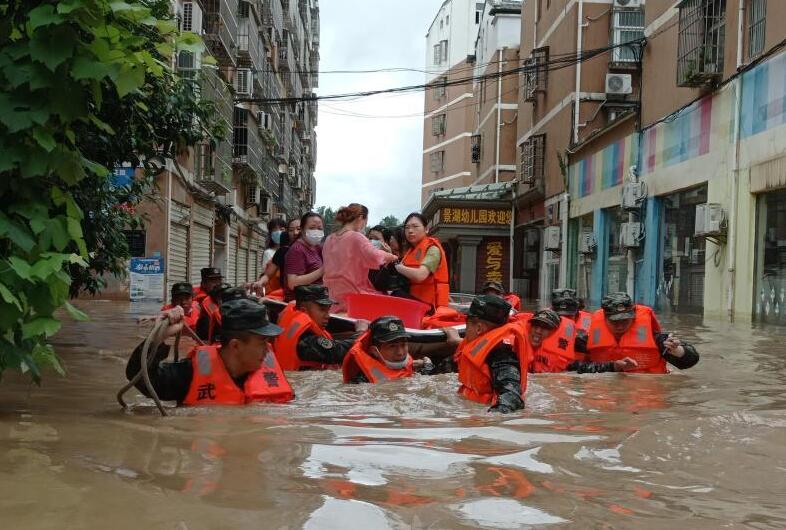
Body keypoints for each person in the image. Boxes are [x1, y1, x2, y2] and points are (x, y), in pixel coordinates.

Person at [125, 298, 293, 405]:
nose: (268, 349)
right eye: (262, 342)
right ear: (235, 346)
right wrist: (159, 337)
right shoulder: (189, 374)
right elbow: (138, 377)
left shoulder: (270, 375)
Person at [577, 292, 700, 374]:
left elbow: (691, 361)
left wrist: (677, 351)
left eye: (625, 320)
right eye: (614, 321)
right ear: (604, 319)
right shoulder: (586, 340)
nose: (620, 326)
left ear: (633, 318)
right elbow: (572, 367)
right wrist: (612, 367)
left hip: (646, 395)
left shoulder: (658, 340)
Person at [444, 295, 527, 413]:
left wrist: (489, 422)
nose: (466, 332)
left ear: (478, 328)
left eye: (467, 325)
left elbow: (512, 396)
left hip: (479, 421)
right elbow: (451, 365)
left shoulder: (502, 356)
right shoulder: (477, 349)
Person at [274, 285, 369, 371]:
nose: (327, 316)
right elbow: (339, 352)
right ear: (304, 311)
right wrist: (361, 332)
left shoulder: (295, 323)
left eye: (328, 310)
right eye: (322, 310)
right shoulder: (306, 342)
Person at [322, 204, 398, 312]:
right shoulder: (356, 237)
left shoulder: (329, 239)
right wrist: (392, 256)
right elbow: (376, 256)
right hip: (351, 296)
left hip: (331, 297)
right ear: (361, 217)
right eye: (365, 223)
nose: (363, 227)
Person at [523, 309, 637, 374]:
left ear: (553, 333)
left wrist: (615, 366)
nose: (538, 331)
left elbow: (587, 367)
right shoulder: (514, 350)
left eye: (545, 328)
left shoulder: (562, 360)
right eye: (535, 326)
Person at [394, 213, 450, 308]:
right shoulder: (410, 251)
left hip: (431, 305)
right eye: (407, 228)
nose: (410, 231)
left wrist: (398, 267)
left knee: (396, 294)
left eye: (415, 226)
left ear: (426, 229)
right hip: (416, 301)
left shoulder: (432, 249)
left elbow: (420, 275)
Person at [342, 316, 419, 384]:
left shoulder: (417, 367)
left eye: (403, 345)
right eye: (392, 346)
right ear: (374, 351)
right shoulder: (362, 381)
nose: (400, 353)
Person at [253, 218, 301, 296]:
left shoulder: (316, 250)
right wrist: (260, 282)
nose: (295, 233)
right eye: (291, 230)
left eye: (299, 229)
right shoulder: (282, 251)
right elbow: (268, 275)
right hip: (287, 295)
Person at [284, 212, 325, 301]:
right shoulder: (297, 249)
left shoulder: (316, 247)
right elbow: (292, 283)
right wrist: (322, 270)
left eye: (320, 228)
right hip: (301, 304)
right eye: (312, 228)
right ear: (302, 230)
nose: (316, 231)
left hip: (315, 301)